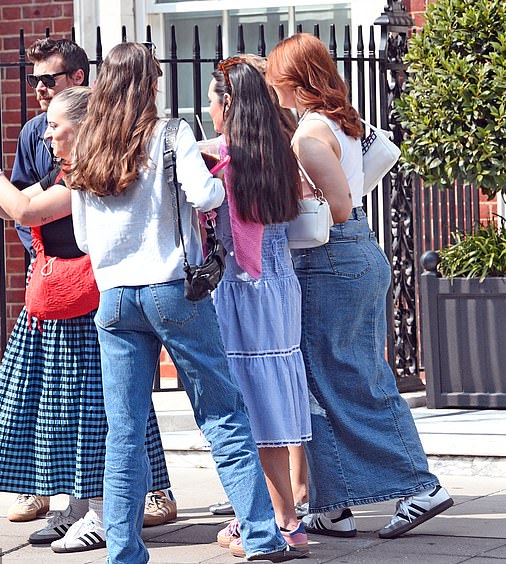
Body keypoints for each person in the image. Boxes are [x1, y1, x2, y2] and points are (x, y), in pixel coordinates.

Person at [68, 42, 303, 563]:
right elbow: (208, 197)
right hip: (172, 289)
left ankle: (123, 551)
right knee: (222, 414)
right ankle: (264, 537)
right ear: (150, 84)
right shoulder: (172, 133)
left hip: (113, 301)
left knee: (124, 432)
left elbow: (84, 239)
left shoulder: (86, 147)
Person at [0, 86, 174, 554]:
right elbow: (9, 205)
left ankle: (100, 511)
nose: (46, 132)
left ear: (83, 125)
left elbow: (26, 208)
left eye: (55, 124)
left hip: (90, 304)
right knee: (62, 412)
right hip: (62, 302)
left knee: (92, 412)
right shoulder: (67, 169)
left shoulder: (91, 172)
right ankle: (77, 508)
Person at [266, 33, 453, 540]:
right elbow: (379, 159)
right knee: (326, 381)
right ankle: (334, 502)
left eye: (275, 74)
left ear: (293, 78)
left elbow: (340, 207)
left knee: (349, 379)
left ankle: (419, 485)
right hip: (351, 256)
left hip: (332, 259)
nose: (269, 84)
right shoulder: (342, 121)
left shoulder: (308, 133)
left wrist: (300, 191)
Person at [206, 57, 311, 559]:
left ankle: (283, 521)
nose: (208, 110)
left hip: (242, 287)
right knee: (275, 398)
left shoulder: (225, 160)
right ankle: (281, 510)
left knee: (253, 408)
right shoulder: (278, 152)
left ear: (228, 105)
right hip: (280, 284)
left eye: (211, 100)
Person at [10, 37, 89, 256]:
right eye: (34, 81)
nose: (40, 88)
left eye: (47, 79)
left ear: (78, 77)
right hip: (50, 266)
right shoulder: (32, 131)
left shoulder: (104, 126)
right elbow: (20, 203)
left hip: (96, 262)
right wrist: (39, 255)